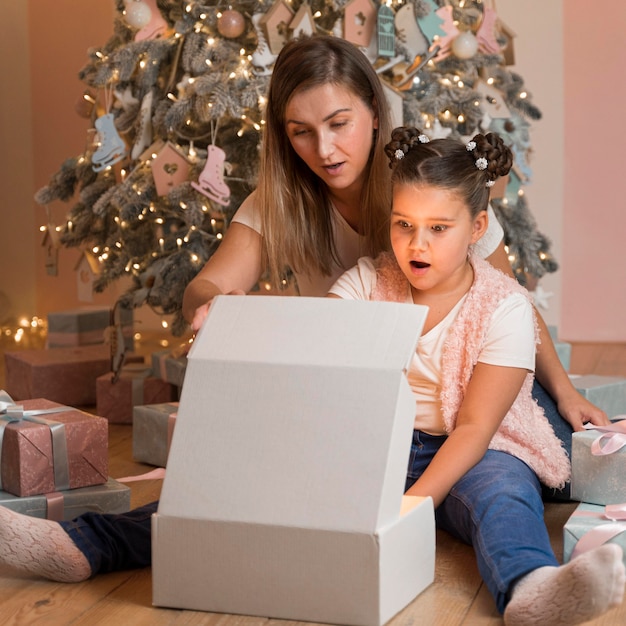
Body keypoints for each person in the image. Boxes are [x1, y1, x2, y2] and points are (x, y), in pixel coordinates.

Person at [0, 34, 609, 585]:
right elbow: (205, 289)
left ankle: (532, 581)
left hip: (462, 408)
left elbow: (509, 305)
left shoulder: (436, 190)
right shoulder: (284, 204)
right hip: (363, 406)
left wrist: (563, 389)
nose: (325, 148)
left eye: (340, 122)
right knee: (244, 482)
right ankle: (82, 546)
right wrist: (217, 306)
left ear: (374, 111)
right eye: (301, 131)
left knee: (507, 484)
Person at [327, 126, 625, 625]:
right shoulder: (366, 283)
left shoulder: (502, 307)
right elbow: (317, 356)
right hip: (382, 447)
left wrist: (407, 509)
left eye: (438, 228)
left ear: (478, 226)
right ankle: (152, 534)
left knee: (506, 495)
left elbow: (474, 429)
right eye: (404, 224)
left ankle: (532, 587)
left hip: (474, 450)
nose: (416, 244)